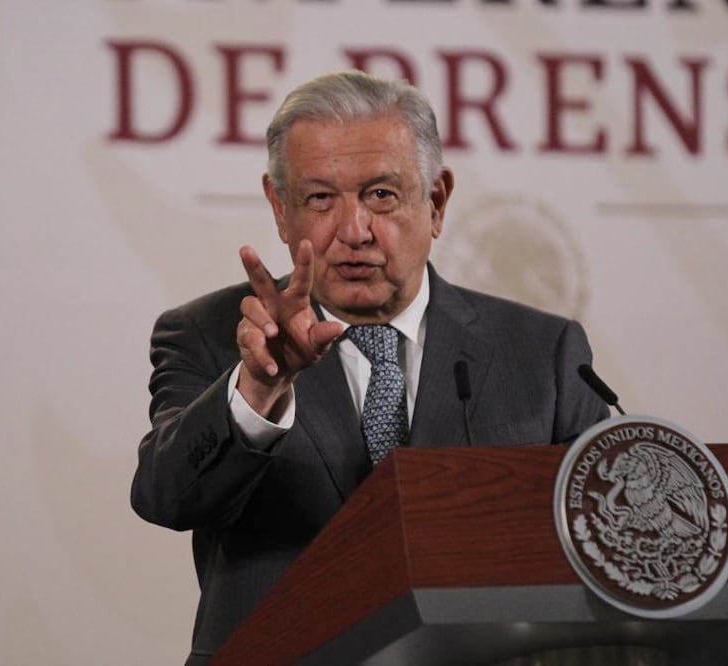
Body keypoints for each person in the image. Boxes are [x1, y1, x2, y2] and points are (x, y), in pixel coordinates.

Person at [131, 70, 610, 665]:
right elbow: (165, 496)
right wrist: (259, 388)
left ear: (435, 202)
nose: (354, 231)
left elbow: (608, 546)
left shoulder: (543, 353)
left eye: (381, 195)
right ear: (281, 210)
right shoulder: (211, 335)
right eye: (320, 199)